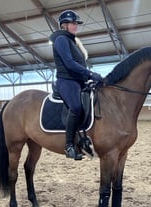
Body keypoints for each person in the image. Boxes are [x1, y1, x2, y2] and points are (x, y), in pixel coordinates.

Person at [50, 10, 103, 160]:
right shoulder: (61, 39)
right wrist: (90, 74)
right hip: (66, 81)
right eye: (73, 23)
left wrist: (87, 79)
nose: (76, 26)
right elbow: (69, 63)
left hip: (78, 81)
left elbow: (79, 63)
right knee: (76, 107)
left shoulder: (72, 42)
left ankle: (83, 138)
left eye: (76, 24)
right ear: (64, 25)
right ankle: (69, 146)